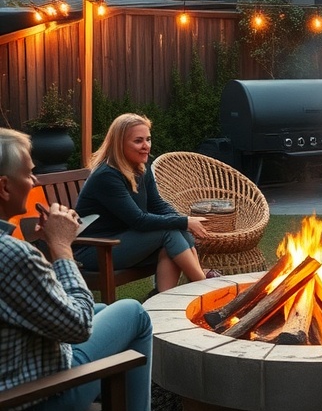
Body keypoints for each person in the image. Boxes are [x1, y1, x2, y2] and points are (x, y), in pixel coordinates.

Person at [0, 127, 153, 411]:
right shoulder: (11, 255)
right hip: (27, 408)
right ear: (4, 186)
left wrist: (44, 253)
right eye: (29, 173)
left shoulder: (14, 253)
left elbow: (28, 307)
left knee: (105, 312)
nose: (36, 182)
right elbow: (78, 325)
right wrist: (62, 247)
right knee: (134, 316)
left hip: (12, 381)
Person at [75, 113, 217, 292]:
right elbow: (139, 220)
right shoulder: (107, 176)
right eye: (138, 141)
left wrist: (182, 221)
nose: (146, 146)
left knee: (178, 232)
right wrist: (184, 221)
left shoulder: (141, 167)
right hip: (97, 250)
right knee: (169, 231)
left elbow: (157, 204)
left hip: (123, 241)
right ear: (119, 144)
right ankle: (205, 287)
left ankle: (162, 301)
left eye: (148, 139)